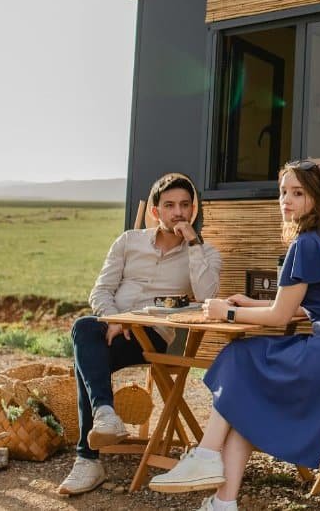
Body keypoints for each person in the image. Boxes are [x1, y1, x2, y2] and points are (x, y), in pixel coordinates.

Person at [149, 160, 320, 511]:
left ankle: (207, 455)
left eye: (298, 193)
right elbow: (308, 306)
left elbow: (281, 316)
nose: (286, 200)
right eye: (283, 191)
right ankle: (224, 502)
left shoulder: (307, 243)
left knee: (240, 355)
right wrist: (252, 302)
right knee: (245, 399)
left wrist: (224, 311)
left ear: (317, 196)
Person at [57, 172, 222, 496]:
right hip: (113, 330)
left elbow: (207, 297)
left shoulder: (205, 252)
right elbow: (100, 291)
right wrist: (115, 319)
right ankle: (105, 417)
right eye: (170, 205)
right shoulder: (128, 241)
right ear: (155, 211)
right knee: (85, 328)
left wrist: (193, 243)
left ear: (193, 211)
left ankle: (88, 459)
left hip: (154, 337)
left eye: (185, 206)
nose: (178, 212)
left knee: (85, 357)